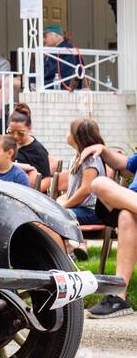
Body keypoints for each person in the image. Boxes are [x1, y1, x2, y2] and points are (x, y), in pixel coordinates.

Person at [74, 142, 137, 317]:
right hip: (130, 199)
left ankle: (118, 295)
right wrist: (103, 150)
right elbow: (125, 166)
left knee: (126, 215)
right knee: (100, 183)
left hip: (129, 208)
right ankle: (119, 298)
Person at [57, 119, 106, 229]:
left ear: (78, 137)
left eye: (69, 131)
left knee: (57, 216)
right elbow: (74, 190)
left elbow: (86, 190)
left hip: (91, 212)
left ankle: (71, 246)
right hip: (80, 209)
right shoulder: (77, 158)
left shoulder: (90, 159)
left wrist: (64, 206)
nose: (67, 134)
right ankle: (69, 246)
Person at [6, 103, 53, 184]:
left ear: (29, 128)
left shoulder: (37, 151)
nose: (15, 136)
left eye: (20, 133)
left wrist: (28, 193)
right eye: (10, 132)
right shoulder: (6, 144)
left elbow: (46, 180)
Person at [42, 25, 83, 92]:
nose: (44, 40)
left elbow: (49, 73)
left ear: (56, 36)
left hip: (63, 90)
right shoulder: (58, 50)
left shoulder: (66, 51)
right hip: (59, 87)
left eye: (45, 36)